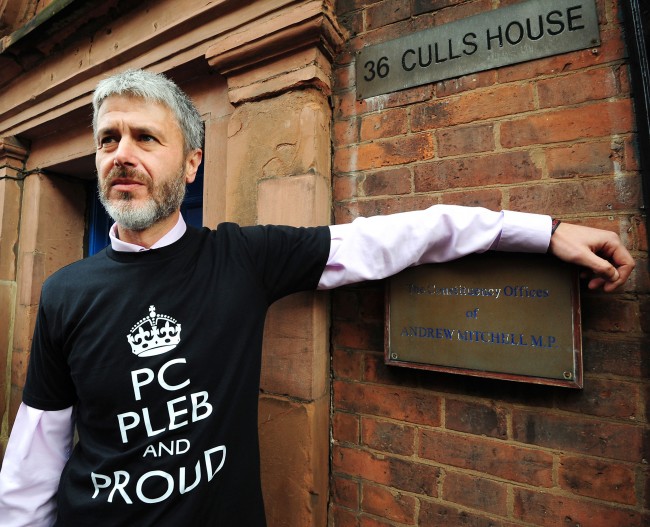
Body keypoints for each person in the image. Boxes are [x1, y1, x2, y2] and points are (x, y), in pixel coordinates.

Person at [0, 69, 634, 527]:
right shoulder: (65, 292)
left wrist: (543, 233)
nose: (122, 155)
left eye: (145, 138)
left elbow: (392, 238)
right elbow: (34, 459)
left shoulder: (242, 258)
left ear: (192, 164)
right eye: (109, 140)